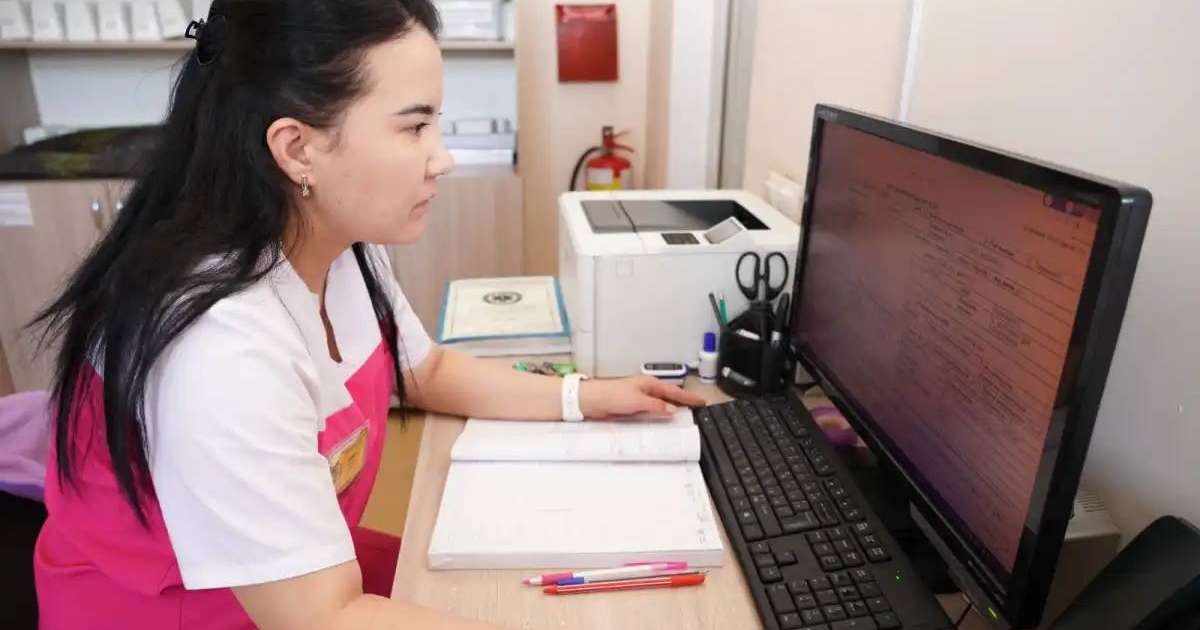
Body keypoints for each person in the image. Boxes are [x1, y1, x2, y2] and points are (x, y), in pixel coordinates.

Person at [30, 1, 705, 628]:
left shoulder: (337, 241)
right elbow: (325, 618)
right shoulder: (221, 348)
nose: (440, 157)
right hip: (185, 607)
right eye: (414, 126)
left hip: (305, 574)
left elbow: (427, 370)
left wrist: (583, 397)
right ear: (297, 149)